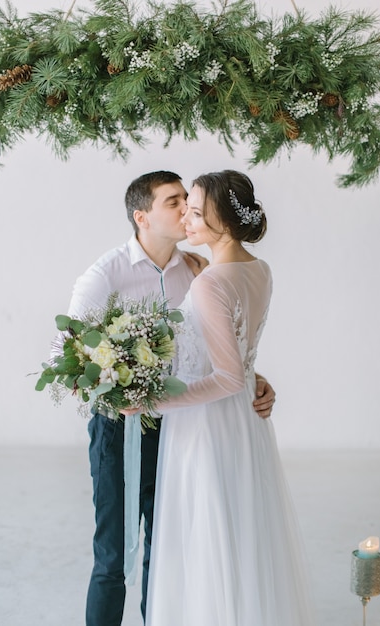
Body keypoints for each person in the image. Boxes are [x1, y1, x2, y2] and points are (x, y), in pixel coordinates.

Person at [64, 170, 276, 626]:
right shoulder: (105, 275)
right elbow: (67, 357)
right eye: (174, 202)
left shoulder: (199, 269)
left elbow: (219, 351)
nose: (186, 210)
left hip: (182, 427)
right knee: (113, 554)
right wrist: (120, 388)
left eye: (189, 201)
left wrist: (255, 377)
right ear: (142, 217)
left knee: (168, 548)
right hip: (121, 426)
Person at [124, 170, 315, 626]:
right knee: (241, 529)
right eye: (184, 209)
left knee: (206, 533)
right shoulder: (257, 269)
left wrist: (150, 402)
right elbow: (241, 359)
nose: (186, 220)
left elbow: (227, 375)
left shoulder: (210, 283)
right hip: (244, 423)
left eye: (195, 213)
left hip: (205, 424)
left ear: (224, 223)